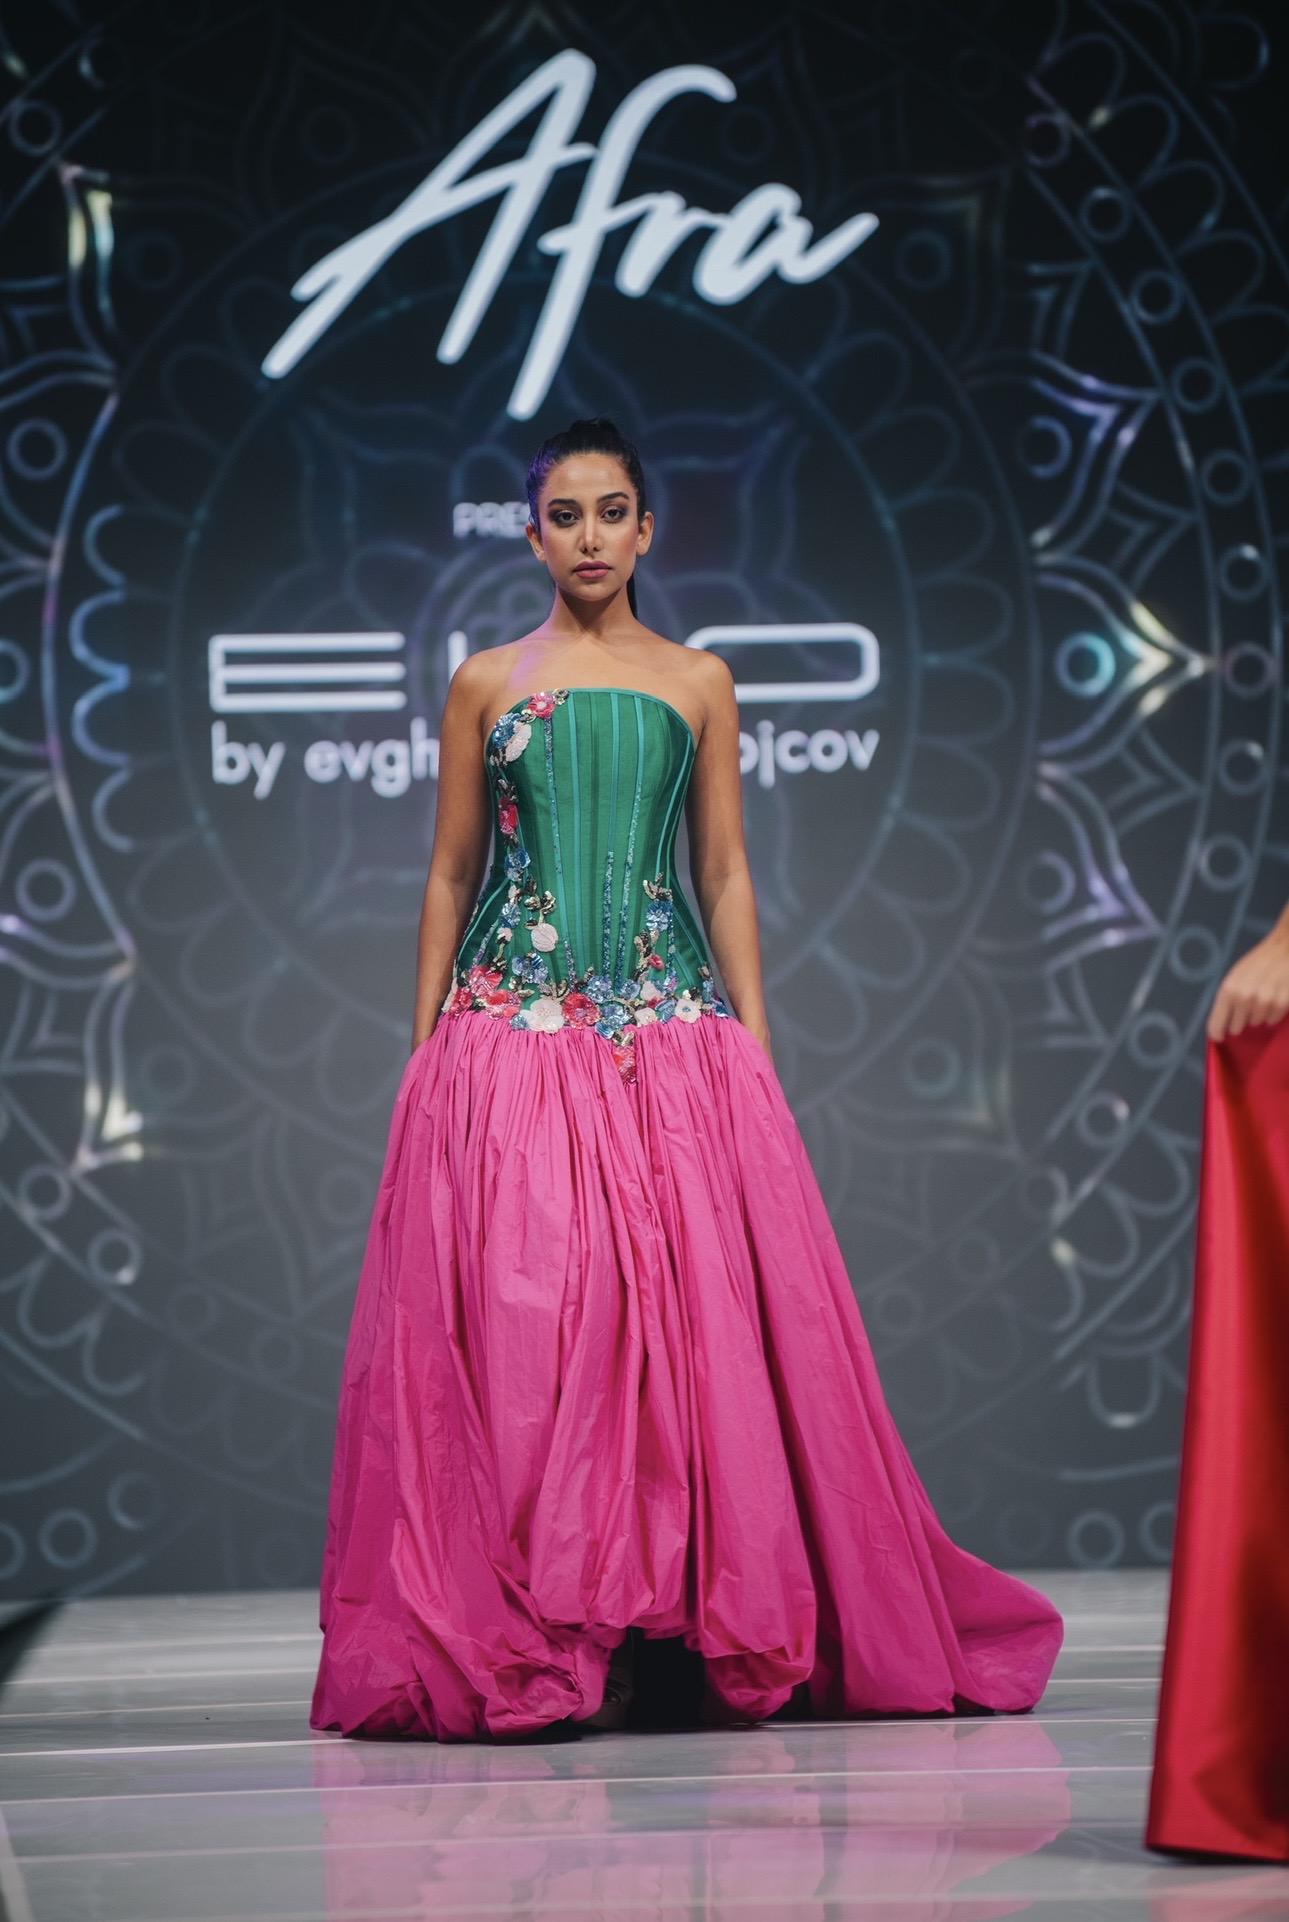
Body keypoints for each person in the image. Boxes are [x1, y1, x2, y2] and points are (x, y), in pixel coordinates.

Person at [309, 415, 1064, 1743]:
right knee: (537, 1333)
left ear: (647, 528)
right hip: (512, 1036)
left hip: (670, 1036)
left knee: (679, 1342)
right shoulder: (483, 680)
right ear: (530, 535)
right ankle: (551, 1626)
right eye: (564, 515)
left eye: (612, 512)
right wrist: (426, 1046)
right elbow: (450, 872)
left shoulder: (700, 679)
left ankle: (667, 1630)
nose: (589, 536)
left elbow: (721, 869)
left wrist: (752, 1047)